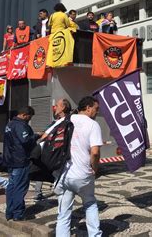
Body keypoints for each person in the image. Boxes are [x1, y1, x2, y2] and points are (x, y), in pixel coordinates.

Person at [55, 96, 103, 237]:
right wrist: (95, 168)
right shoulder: (93, 125)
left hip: (65, 175)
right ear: (88, 108)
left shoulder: (67, 120)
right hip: (83, 175)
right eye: (96, 109)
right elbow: (95, 153)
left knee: (63, 213)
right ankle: (95, 235)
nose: (97, 112)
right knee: (90, 203)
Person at [33, 98, 72, 201]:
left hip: (58, 156)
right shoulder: (64, 121)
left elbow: (44, 136)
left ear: (63, 107)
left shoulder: (63, 122)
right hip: (59, 156)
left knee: (59, 186)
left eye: (57, 105)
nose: (55, 107)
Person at [3, 106, 37, 221]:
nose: (29, 119)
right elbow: (25, 140)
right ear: (23, 115)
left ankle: (9, 212)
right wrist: (37, 135)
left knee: (11, 187)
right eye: (29, 117)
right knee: (20, 188)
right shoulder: (20, 125)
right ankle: (18, 214)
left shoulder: (9, 124)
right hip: (20, 161)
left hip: (11, 161)